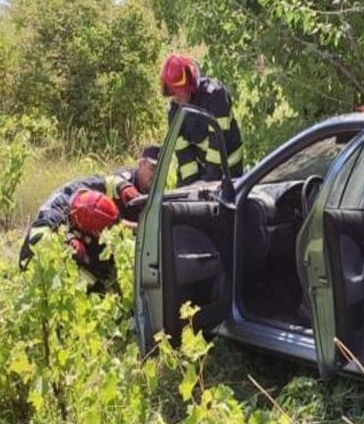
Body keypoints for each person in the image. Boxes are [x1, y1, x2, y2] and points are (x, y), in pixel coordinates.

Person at [19, 147, 159, 286]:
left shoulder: (89, 186)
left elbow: (110, 180)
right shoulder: (53, 213)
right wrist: (66, 241)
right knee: (91, 283)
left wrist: (124, 187)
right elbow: (37, 239)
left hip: (76, 235)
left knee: (103, 267)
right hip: (36, 262)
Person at [159, 53, 244, 186]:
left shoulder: (215, 96)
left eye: (178, 91)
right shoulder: (174, 112)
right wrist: (191, 184)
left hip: (229, 166)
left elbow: (218, 143)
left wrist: (207, 182)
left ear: (190, 86)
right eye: (170, 92)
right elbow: (184, 156)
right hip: (202, 167)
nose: (175, 97)